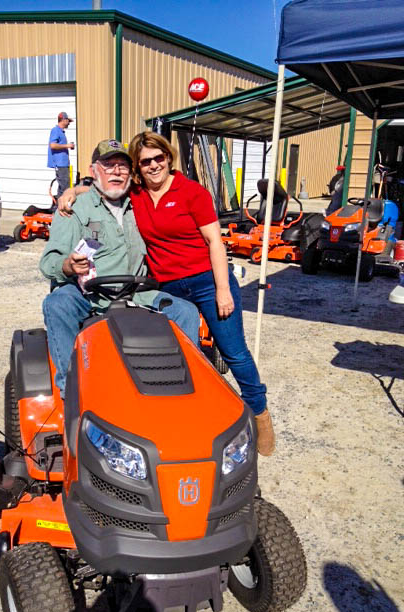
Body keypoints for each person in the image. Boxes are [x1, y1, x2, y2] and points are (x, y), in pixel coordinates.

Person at [58, 132, 275, 457]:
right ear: (138, 168)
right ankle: (184, 418)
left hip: (205, 280)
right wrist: (72, 191)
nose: (153, 165)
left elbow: (215, 242)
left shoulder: (192, 193)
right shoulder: (138, 194)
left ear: (169, 158)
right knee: (177, 355)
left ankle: (259, 414)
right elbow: (102, 187)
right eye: (145, 161)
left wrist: (222, 290)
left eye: (158, 158)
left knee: (234, 352)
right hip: (166, 285)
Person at [40, 138, 200, 397]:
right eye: (108, 165)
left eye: (123, 166)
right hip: (88, 296)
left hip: (137, 293)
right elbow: (48, 263)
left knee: (186, 312)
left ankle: (185, 391)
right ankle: (72, 392)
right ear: (94, 171)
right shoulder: (73, 210)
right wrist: (68, 265)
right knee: (57, 304)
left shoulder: (140, 201)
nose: (116, 171)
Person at [48, 112, 75, 198]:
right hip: (60, 164)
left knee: (62, 188)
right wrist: (67, 145)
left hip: (63, 164)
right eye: (68, 121)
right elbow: (52, 145)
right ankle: (61, 208)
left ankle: (57, 209)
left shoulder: (61, 132)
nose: (69, 124)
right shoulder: (55, 130)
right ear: (63, 120)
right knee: (65, 188)